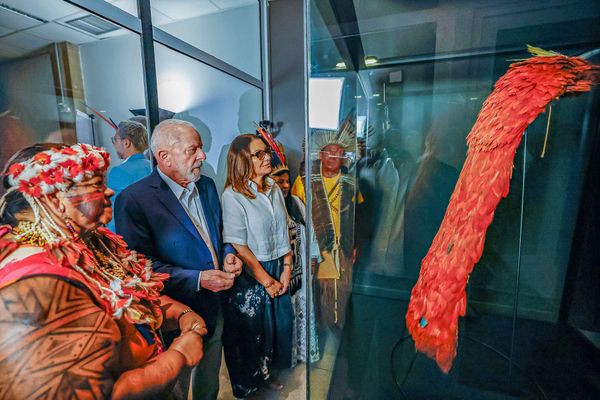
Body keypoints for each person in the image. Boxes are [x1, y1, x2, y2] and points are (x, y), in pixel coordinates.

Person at [0, 143, 206, 399]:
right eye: (96, 186)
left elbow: (130, 299)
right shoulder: (37, 280)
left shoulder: (91, 242)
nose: (108, 191)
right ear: (55, 200)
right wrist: (180, 357)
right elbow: (99, 393)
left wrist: (182, 313)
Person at [114, 119, 242, 400]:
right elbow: (140, 266)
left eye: (201, 149)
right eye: (193, 149)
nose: (203, 156)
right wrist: (198, 279)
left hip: (215, 304)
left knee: (209, 378)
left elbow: (220, 235)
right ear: (164, 157)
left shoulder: (207, 186)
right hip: (173, 315)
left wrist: (229, 255)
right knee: (176, 389)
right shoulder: (135, 200)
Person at [221, 134, 293, 398]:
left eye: (267, 153)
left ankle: (269, 375)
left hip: (277, 263)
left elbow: (285, 229)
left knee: (278, 326)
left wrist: (286, 267)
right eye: (259, 154)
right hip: (253, 271)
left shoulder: (273, 187)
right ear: (242, 160)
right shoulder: (233, 195)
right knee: (252, 331)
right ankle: (249, 386)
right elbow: (239, 244)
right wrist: (265, 279)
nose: (267, 158)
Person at [290, 115, 362, 330]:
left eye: (340, 153)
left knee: (341, 288)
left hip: (343, 246)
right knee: (317, 290)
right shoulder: (304, 181)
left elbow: (358, 214)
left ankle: (338, 327)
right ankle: (320, 329)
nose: (335, 157)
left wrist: (355, 242)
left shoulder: (350, 181)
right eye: (330, 152)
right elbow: (295, 216)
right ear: (320, 155)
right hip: (316, 248)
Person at [270, 148, 320, 365]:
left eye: (287, 181)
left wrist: (312, 258)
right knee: (284, 315)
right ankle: (285, 358)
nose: (285, 186)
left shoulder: (297, 204)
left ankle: (302, 353)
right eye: (279, 182)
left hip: (300, 269)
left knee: (302, 309)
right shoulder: (268, 207)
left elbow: (310, 232)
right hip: (279, 273)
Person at [106, 120, 152, 232]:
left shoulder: (118, 172)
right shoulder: (153, 166)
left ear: (126, 143)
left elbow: (115, 217)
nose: (114, 144)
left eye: (115, 140)